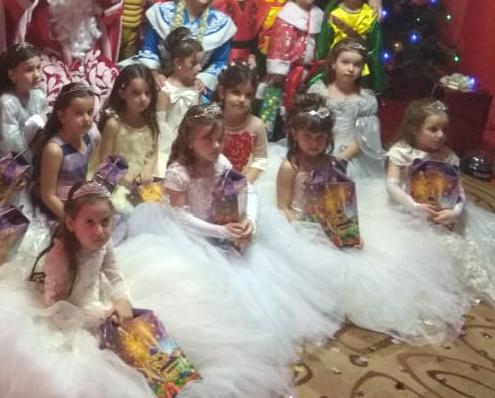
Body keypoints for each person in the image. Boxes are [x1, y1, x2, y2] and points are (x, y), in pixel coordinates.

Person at [118, 102, 341, 397]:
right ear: (189, 140)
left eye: (219, 138)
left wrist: (250, 219)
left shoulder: (221, 162)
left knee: (262, 279)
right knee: (208, 295)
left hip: (222, 227)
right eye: (207, 139)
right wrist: (220, 232)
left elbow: (247, 190)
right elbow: (181, 218)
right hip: (188, 239)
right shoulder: (178, 172)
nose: (216, 146)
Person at [0, 181, 151, 397]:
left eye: (105, 221)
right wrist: (100, 316)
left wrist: (122, 300)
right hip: (65, 320)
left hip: (98, 305)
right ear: (71, 223)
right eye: (89, 222)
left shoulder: (103, 244)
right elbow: (56, 307)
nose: (100, 231)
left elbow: (114, 274)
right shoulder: (60, 258)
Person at [274, 94, 468, 343]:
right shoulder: (290, 167)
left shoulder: (331, 163)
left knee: (368, 261)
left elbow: (340, 201)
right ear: (293, 133)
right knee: (319, 267)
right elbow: (284, 207)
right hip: (301, 224)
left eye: (320, 137)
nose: (314, 143)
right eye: (307, 137)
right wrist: (304, 231)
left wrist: (348, 232)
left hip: (331, 222)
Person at [386, 100, 495, 321]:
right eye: (433, 129)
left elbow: (460, 192)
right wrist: (414, 206)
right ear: (414, 128)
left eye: (444, 130)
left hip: (444, 213)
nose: (440, 135)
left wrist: (455, 212)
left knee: (478, 254)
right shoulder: (402, 152)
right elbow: (391, 184)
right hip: (408, 211)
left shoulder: (448, 156)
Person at [136, 0, 235, 92]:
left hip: (196, 88)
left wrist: (203, 80)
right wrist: (154, 72)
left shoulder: (221, 24)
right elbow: (149, 48)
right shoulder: (162, 12)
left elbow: (220, 61)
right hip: (160, 83)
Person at [308, 39, 384, 179]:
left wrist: (339, 159)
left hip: (350, 156)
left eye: (357, 65)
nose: (351, 69)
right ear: (333, 63)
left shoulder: (366, 100)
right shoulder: (318, 92)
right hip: (317, 150)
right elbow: (309, 125)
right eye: (345, 62)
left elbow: (363, 137)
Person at [94, 64, 159, 212]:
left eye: (147, 93)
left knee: (158, 209)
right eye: (136, 93)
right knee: (124, 211)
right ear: (123, 94)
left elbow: (154, 152)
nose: (143, 99)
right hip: (116, 181)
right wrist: (125, 179)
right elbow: (105, 162)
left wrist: (147, 171)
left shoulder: (150, 120)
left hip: (142, 180)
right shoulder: (114, 125)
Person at [31, 83, 97, 221]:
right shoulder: (55, 150)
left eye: (90, 112)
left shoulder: (87, 139)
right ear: (62, 116)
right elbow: (48, 196)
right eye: (78, 113)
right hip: (57, 213)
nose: (87, 119)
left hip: (77, 206)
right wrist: (70, 220)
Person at [263, 0, 324, 113]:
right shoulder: (287, 16)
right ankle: (267, 126)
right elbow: (279, 45)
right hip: (284, 74)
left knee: (300, 110)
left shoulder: (318, 15)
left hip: (308, 74)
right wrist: (278, 72)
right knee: (273, 107)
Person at [316, 0, 384, 93]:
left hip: (361, 71)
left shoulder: (370, 16)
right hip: (336, 69)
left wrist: (376, 81)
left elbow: (375, 50)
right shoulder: (333, 15)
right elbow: (323, 49)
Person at [154, 30, 205, 176]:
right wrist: (177, 148)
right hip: (168, 148)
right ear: (177, 62)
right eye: (194, 63)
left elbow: (200, 117)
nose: (199, 68)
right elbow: (160, 125)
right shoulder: (165, 90)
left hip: (191, 144)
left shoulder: (196, 87)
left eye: (200, 63)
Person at [0, 42, 48, 158]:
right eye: (29, 70)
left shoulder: (39, 95)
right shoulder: (6, 103)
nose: (37, 75)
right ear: (12, 75)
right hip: (16, 161)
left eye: (38, 67)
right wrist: (33, 125)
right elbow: (11, 145)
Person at [215, 62, 268, 182]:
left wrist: (244, 183)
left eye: (249, 95)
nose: (242, 99)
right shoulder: (210, 120)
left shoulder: (257, 125)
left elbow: (261, 160)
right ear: (222, 92)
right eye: (236, 92)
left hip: (244, 184)